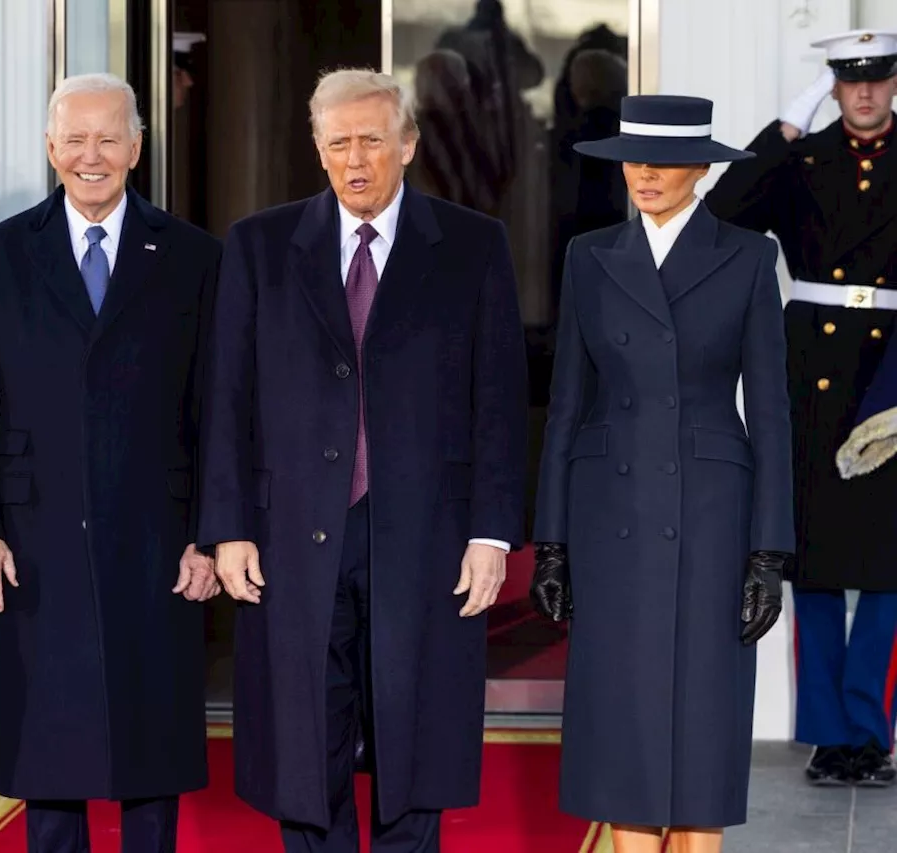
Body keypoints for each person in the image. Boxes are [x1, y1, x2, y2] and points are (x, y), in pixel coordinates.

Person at [197, 68, 528, 852]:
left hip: (427, 536)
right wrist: (229, 527)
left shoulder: (473, 245)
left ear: (407, 145)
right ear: (317, 149)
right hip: (293, 535)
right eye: (338, 142)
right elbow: (227, 398)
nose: (356, 159)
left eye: (372, 141)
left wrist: (491, 534)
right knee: (307, 738)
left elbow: (499, 404)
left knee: (417, 729)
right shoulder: (260, 245)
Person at [0, 72, 221, 853]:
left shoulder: (195, 256)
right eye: (75, 139)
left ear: (137, 146)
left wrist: (210, 531)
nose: (90, 156)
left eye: (108, 138)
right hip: (32, 534)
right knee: (49, 743)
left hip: (157, 531)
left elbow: (215, 410)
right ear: (50, 147)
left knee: (151, 737)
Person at [530, 95, 793, 853]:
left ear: (702, 171)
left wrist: (768, 553)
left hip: (712, 517)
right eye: (633, 158)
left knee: (702, 730)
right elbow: (566, 408)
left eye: (664, 159)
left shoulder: (747, 256)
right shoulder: (589, 254)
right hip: (608, 513)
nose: (644, 172)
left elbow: (771, 411)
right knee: (623, 732)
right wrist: (551, 542)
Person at [705, 28, 897, 786]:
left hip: (890, 371)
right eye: (849, 81)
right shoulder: (805, 158)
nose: (865, 93)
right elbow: (725, 210)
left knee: (885, 569)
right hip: (812, 370)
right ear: (833, 87)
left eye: (878, 79)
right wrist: (784, 130)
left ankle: (869, 730)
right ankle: (826, 732)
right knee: (814, 563)